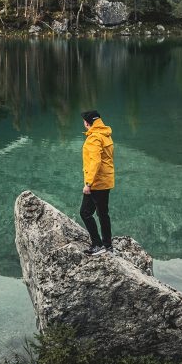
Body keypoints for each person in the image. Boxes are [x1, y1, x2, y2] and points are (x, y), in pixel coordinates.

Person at [79, 110, 114, 256]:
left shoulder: (93, 138)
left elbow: (96, 162)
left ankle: (98, 244)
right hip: (106, 180)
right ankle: (108, 245)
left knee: (85, 213)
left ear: (87, 123)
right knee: (103, 214)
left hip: (97, 183)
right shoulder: (105, 134)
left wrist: (88, 184)